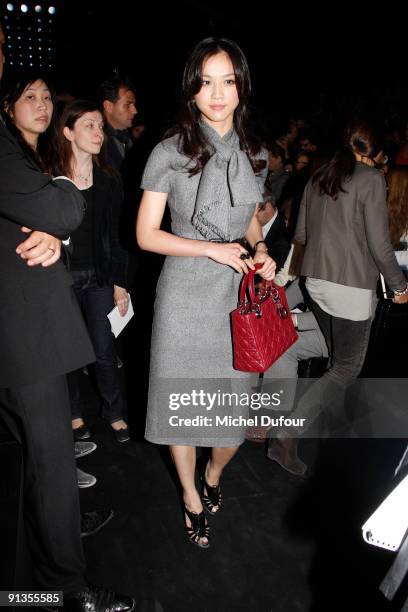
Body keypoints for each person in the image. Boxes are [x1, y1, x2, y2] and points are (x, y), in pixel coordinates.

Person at [0, 67, 135, 610]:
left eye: (46, 96)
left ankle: (37, 574)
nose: (40, 103)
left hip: (42, 309)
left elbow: (95, 228)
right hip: (24, 324)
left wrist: (54, 233)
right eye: (28, 96)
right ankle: (64, 590)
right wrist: (57, 212)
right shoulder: (41, 165)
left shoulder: (42, 161)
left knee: (36, 451)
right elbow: (58, 208)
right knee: (49, 454)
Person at [136, 37, 275, 548]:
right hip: (184, 297)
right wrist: (211, 250)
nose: (217, 94)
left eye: (228, 81)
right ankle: (191, 498)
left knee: (229, 421)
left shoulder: (256, 153)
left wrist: (260, 250)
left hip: (236, 298)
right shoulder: (170, 150)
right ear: (191, 88)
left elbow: (253, 223)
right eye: (205, 81)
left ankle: (213, 477)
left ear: (241, 86)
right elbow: (146, 235)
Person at [269, 119, 408, 473]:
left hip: (315, 283)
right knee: (346, 367)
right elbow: (379, 242)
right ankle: (286, 433)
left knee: (336, 354)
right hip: (349, 289)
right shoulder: (371, 179)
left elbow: (300, 233)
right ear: (372, 153)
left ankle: (284, 408)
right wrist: (399, 286)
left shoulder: (318, 176)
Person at [54, 99, 130, 443]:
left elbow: (116, 237)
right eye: (89, 125)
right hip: (60, 280)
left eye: (100, 126)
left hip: (99, 278)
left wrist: (120, 284)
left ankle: (113, 411)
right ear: (68, 132)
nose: (98, 132)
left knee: (104, 348)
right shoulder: (50, 179)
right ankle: (73, 414)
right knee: (69, 351)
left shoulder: (110, 181)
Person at [99, 75, 138, 171]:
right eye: (128, 105)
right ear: (108, 106)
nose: (135, 111)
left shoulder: (127, 138)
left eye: (134, 105)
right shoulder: (97, 143)